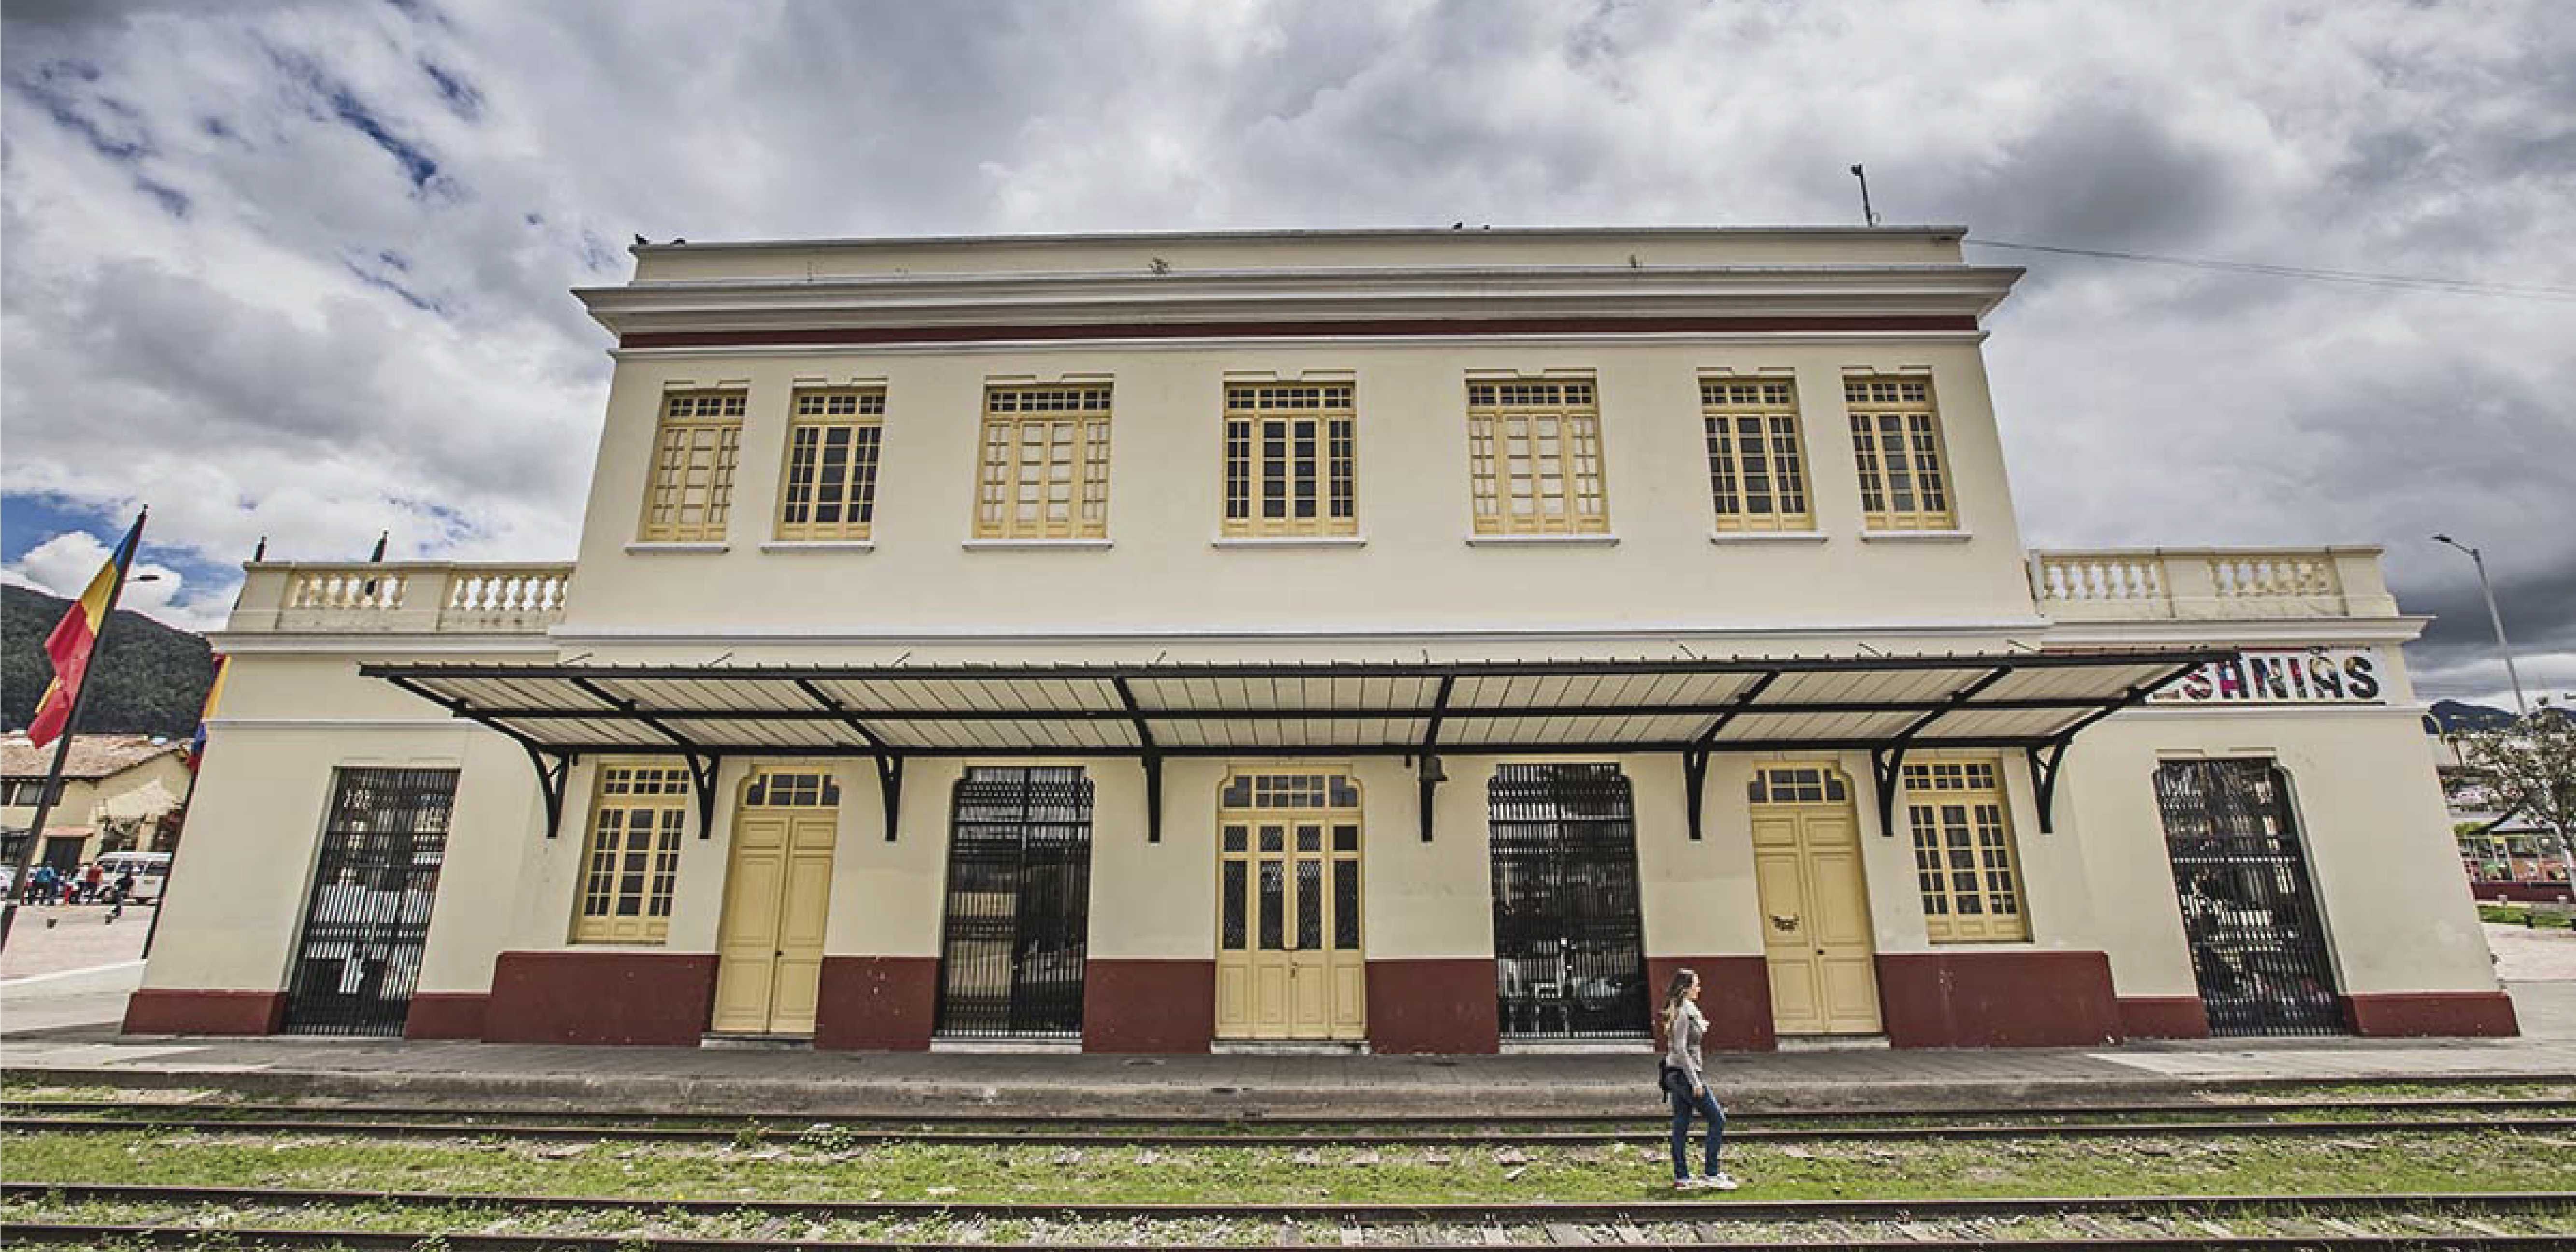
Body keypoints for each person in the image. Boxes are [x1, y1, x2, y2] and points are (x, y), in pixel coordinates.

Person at [1658, 967, 1738, 1191]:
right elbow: (1681, 1050)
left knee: (1681, 1123)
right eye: (1696, 985)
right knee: (1718, 1119)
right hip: (1685, 1075)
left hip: (1676, 1074)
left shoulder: (1684, 1010)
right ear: (1686, 989)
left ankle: (1682, 1177)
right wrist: (1695, 1082)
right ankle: (1712, 1172)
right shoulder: (1684, 1013)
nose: (1700, 989)